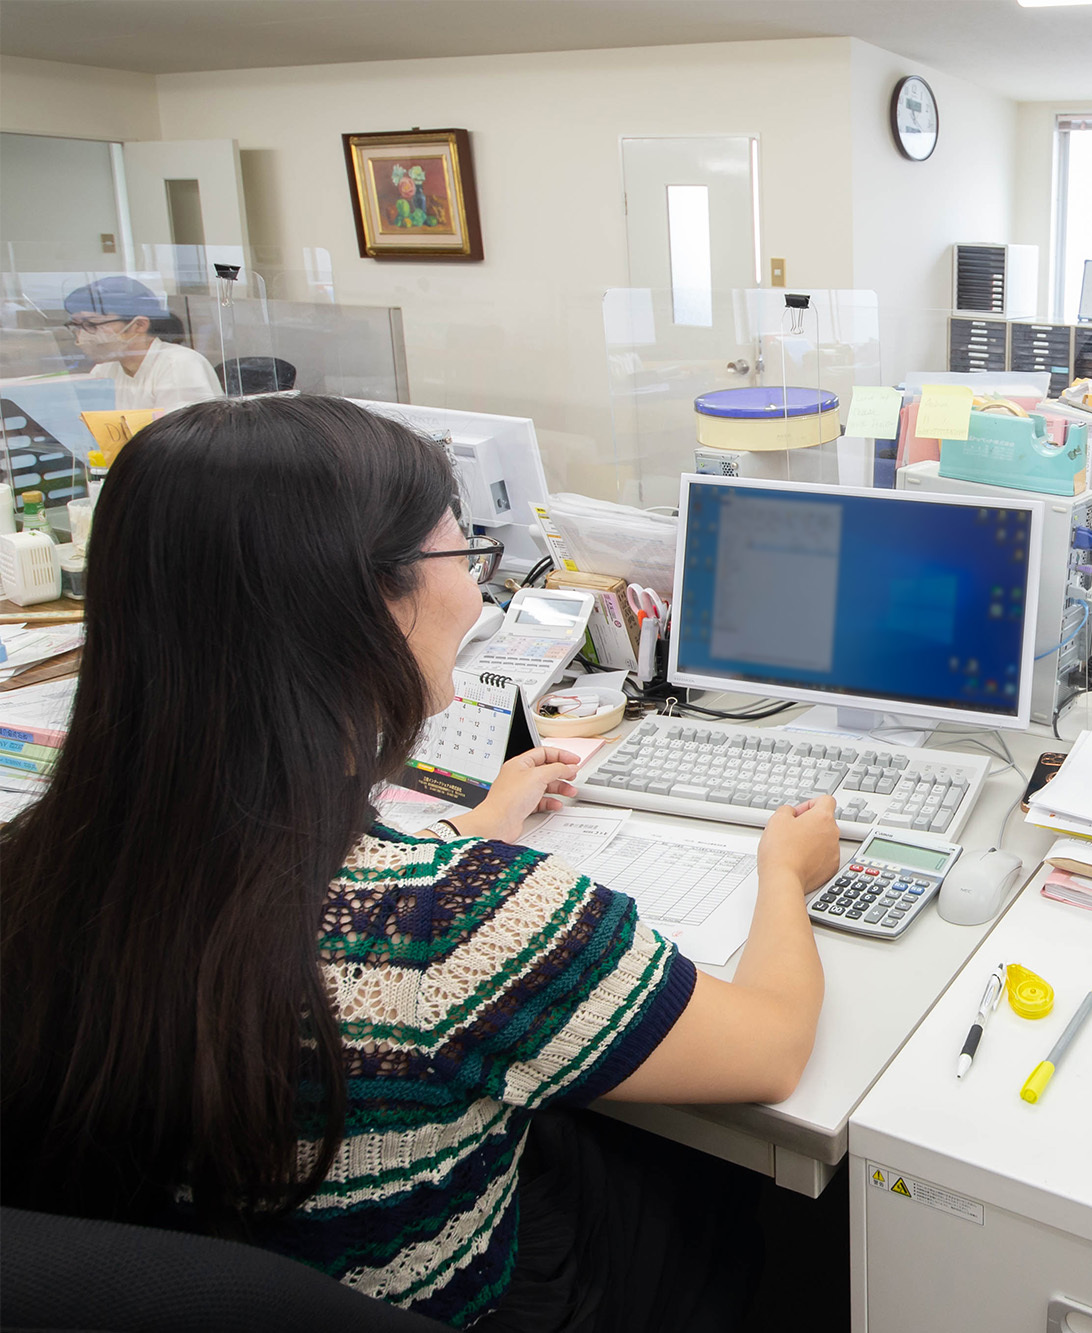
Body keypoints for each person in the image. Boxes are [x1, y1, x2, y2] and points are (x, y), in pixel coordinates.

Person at [0, 395, 838, 1330]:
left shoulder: (39, 863)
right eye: (464, 554)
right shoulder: (463, 925)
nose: (480, 595)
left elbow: (307, 900)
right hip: (483, 1301)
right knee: (729, 1191)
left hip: (237, 1275)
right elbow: (773, 1047)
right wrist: (783, 871)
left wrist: (476, 824)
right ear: (362, 600)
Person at [64, 274, 223, 413]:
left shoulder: (178, 364)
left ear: (139, 325)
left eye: (91, 325)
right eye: (77, 326)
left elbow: (183, 440)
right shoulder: (104, 370)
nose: (82, 335)